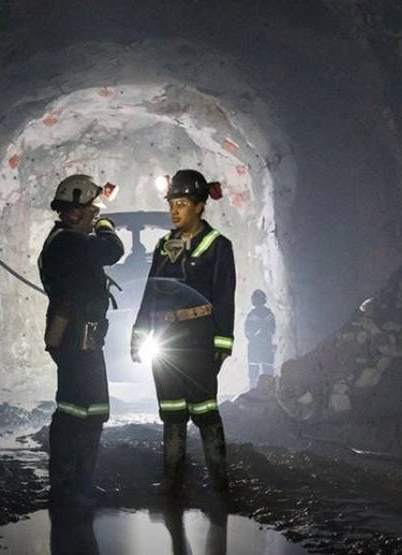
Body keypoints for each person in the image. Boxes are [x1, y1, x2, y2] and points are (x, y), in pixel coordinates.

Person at [131, 169, 236, 494]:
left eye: (182, 203)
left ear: (200, 206)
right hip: (166, 337)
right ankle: (173, 485)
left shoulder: (217, 246)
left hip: (198, 339)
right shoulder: (165, 245)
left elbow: (224, 295)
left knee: (205, 410)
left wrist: (222, 342)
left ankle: (220, 484)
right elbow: (151, 291)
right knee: (172, 413)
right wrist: (139, 334)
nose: (175, 210)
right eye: (172, 204)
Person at [38, 174, 124, 506]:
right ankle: (65, 486)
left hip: (82, 337)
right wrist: (106, 223)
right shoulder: (68, 242)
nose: (93, 216)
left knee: (92, 410)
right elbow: (111, 250)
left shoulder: (67, 240)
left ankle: (80, 484)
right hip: (74, 337)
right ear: (76, 212)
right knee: (74, 410)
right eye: (89, 211)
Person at [244, 289, 275, 390]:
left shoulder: (251, 316)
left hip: (255, 347)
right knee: (268, 369)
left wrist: (255, 337)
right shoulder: (270, 315)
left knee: (254, 371)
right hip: (267, 346)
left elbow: (247, 332)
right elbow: (273, 330)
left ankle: (253, 390)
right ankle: (269, 390)